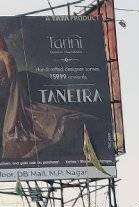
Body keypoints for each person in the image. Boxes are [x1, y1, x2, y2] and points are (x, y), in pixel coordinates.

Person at [0, 31, 80, 161]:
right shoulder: (5, 56)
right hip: (7, 90)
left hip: (10, 90)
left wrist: (6, 84)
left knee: (18, 121)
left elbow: (11, 76)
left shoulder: (6, 56)